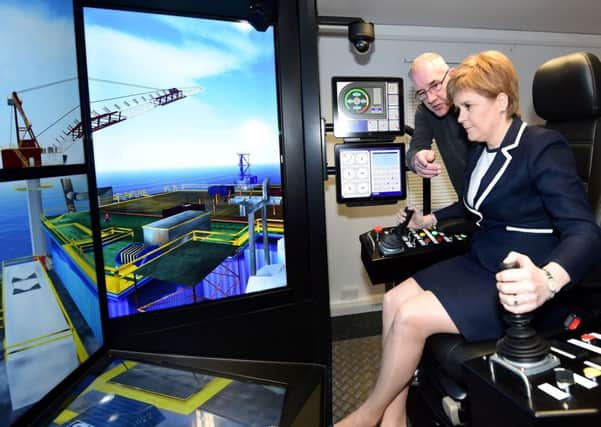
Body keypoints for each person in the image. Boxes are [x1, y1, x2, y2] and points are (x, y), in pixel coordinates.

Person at [335, 50, 601, 427]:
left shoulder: (543, 146)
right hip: (479, 259)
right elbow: (471, 205)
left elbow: (585, 231)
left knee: (410, 318)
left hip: (517, 274)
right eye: (458, 108)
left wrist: (548, 279)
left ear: (502, 102)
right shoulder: (479, 151)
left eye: (468, 107)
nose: (459, 118)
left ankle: (368, 414)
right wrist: (428, 219)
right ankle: (393, 419)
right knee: (394, 300)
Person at [407, 52, 471, 196]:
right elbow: (415, 148)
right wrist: (416, 159)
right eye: (422, 93)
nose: (430, 99)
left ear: (452, 76)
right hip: (470, 205)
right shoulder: (425, 112)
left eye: (435, 85)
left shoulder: (477, 103)